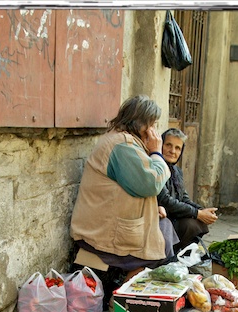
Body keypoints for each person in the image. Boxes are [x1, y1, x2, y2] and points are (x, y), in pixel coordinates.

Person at [70, 95, 178, 288]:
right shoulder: (122, 146)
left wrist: (152, 209)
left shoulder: (123, 141)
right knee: (161, 245)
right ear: (141, 124)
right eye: (152, 124)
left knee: (165, 228)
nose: (154, 130)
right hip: (101, 232)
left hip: (108, 225)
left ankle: (130, 291)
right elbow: (150, 184)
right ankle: (123, 296)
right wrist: (156, 152)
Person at [157, 128, 218, 252]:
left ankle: (182, 253)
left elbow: (184, 198)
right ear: (160, 145)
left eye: (177, 148)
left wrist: (202, 211)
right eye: (168, 145)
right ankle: (170, 255)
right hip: (160, 217)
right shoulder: (157, 168)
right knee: (191, 225)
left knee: (200, 222)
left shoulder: (177, 171)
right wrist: (197, 213)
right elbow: (165, 201)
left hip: (174, 215)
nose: (172, 151)